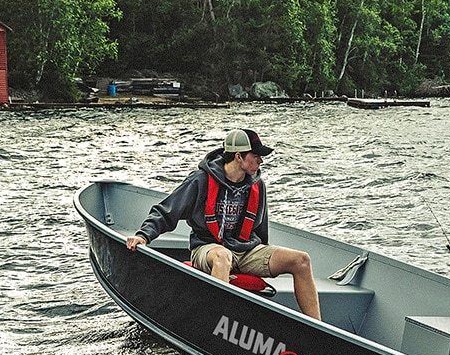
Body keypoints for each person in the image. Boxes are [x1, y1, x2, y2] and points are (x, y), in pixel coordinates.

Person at [125, 128, 321, 320]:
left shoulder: (257, 184)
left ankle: (317, 328)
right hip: (207, 249)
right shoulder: (200, 180)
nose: (261, 161)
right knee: (222, 256)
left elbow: (261, 229)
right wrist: (143, 235)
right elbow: (166, 211)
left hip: (245, 251)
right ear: (238, 156)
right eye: (256, 155)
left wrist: (261, 260)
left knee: (301, 260)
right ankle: (216, 322)